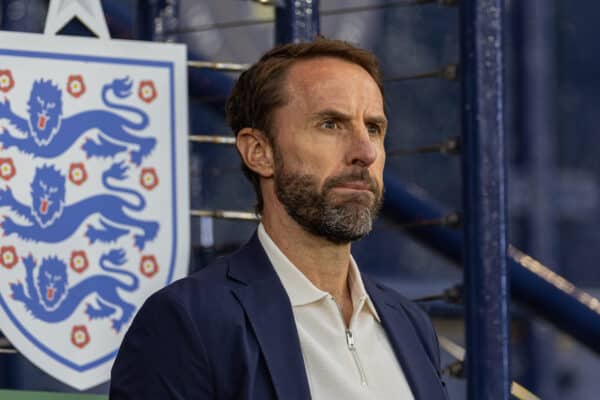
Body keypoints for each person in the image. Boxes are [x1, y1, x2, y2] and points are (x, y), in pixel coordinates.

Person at [110, 38, 449, 400]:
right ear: (259, 152)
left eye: (374, 128)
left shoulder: (410, 325)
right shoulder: (188, 322)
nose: (364, 152)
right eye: (331, 124)